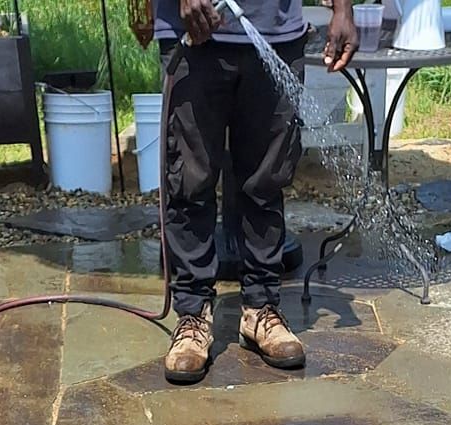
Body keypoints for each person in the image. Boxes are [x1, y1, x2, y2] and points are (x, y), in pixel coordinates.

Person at [152, 0, 358, 383]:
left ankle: (261, 309)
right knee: (190, 180)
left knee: (267, 179)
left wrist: (342, 8)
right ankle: (193, 315)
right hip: (195, 30)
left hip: (275, 31)